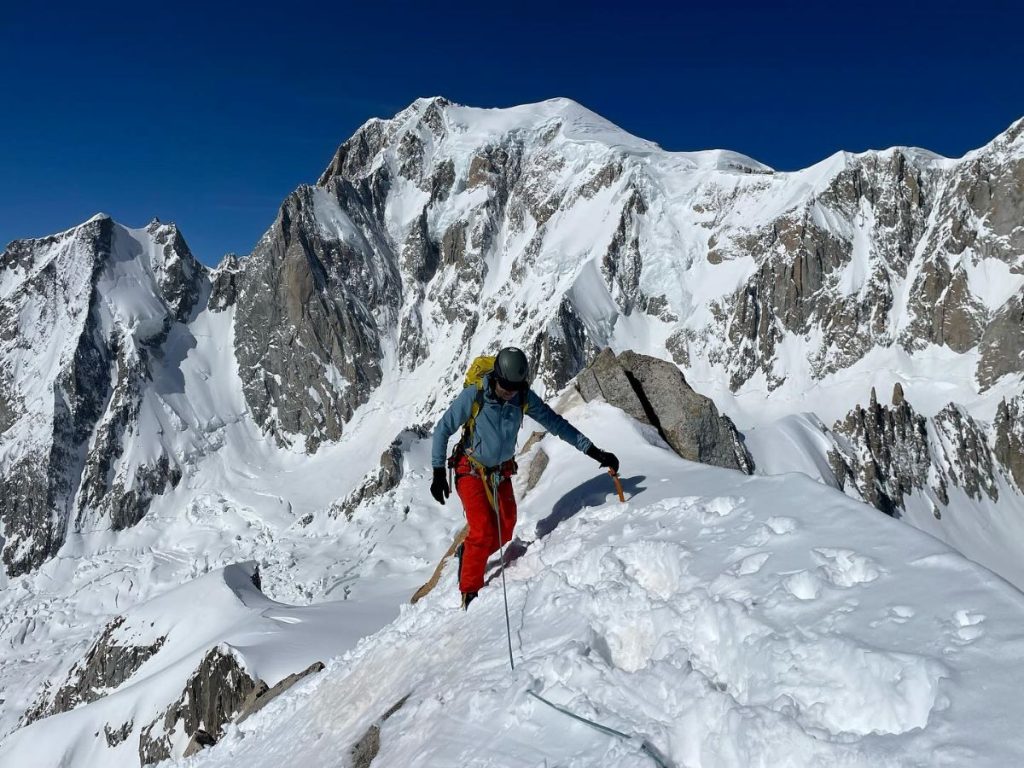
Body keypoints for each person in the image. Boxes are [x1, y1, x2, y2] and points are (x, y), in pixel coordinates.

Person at [430, 347, 620, 609]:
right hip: (470, 469)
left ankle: (469, 553)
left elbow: (557, 425)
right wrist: (438, 471)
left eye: (514, 387)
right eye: (505, 386)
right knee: (483, 528)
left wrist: (594, 451)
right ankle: (470, 593)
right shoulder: (474, 395)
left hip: (501, 472)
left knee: (505, 530)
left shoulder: (522, 398)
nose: (509, 392)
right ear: (496, 377)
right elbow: (443, 429)